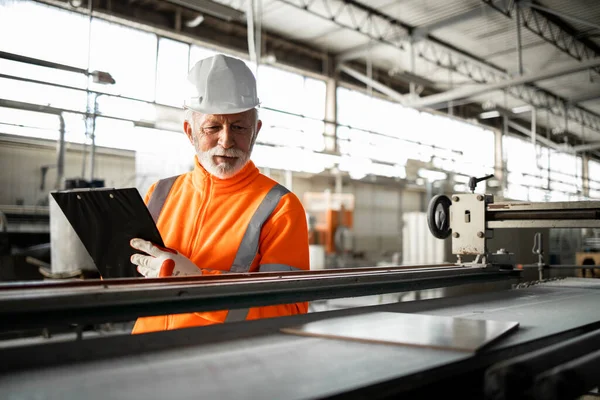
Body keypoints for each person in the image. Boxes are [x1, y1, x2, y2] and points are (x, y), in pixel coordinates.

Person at [129, 54, 310, 333]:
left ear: (255, 131)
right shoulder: (159, 193)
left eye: (239, 127)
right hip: (145, 354)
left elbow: (287, 309)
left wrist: (199, 282)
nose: (226, 141)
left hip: (221, 363)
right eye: (212, 127)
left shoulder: (280, 207)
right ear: (190, 131)